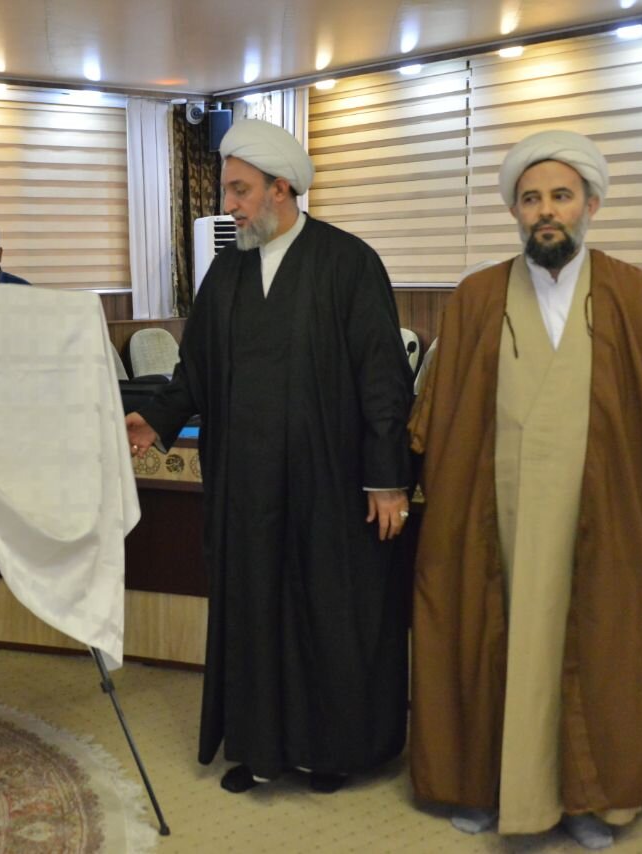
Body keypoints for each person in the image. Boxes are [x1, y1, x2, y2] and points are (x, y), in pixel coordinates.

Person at [409, 130, 642, 850]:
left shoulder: (630, 291)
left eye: (561, 196)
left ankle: (585, 797)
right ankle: (482, 786)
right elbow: (443, 415)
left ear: (590, 205)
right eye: (532, 198)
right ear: (516, 211)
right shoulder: (478, 295)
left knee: (598, 645)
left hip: (600, 509)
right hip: (493, 509)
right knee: (485, 634)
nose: (546, 210)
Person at [124, 119, 413, 795]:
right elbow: (196, 371)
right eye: (228, 191)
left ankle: (327, 754)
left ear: (281, 189)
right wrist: (155, 417)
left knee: (324, 613)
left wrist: (386, 480)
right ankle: (258, 750)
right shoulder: (226, 271)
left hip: (329, 486)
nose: (229, 205)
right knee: (254, 614)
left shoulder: (348, 262)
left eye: (240, 190)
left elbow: (383, 382)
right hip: (246, 489)